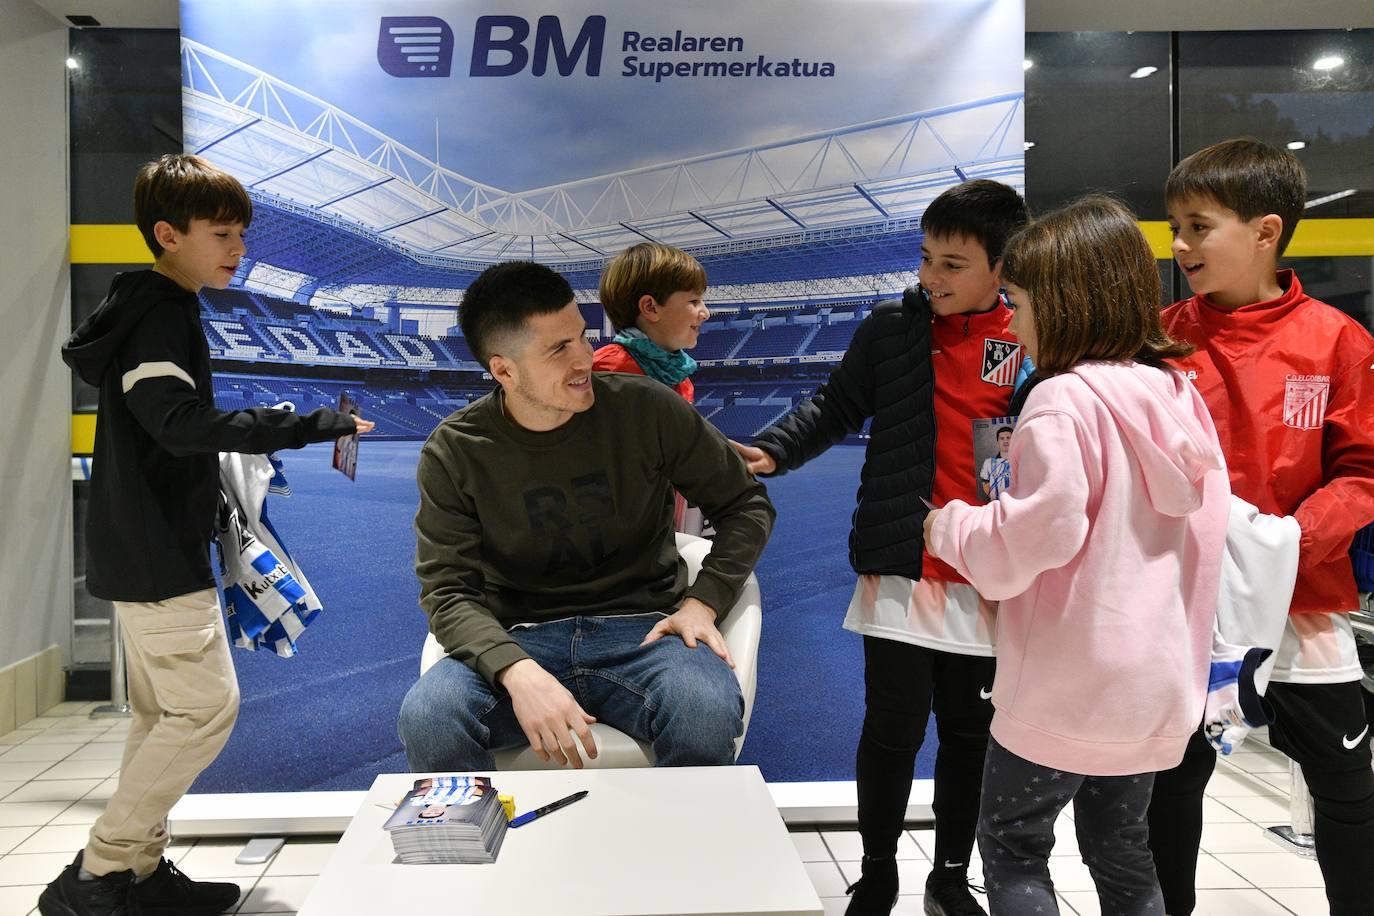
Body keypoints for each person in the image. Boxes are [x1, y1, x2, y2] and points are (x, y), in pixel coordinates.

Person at [44, 154, 372, 916]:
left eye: (241, 234)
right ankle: (97, 874)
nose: (238, 248)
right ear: (168, 235)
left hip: (145, 545)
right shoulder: (159, 313)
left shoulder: (158, 307)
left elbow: (166, 429)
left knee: (163, 716)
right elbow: (178, 423)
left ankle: (136, 875)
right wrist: (300, 425)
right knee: (204, 710)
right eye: (222, 234)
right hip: (155, 552)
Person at [925, 195, 1231, 916]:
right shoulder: (1177, 392)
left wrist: (951, 527)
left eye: (1021, 304)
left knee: (1014, 848)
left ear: (1064, 305)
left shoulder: (1061, 401)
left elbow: (1032, 539)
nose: (1013, 324)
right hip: (1154, 684)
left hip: (1064, 686)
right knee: (1123, 850)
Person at [733, 179, 1029, 916]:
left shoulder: (1027, 336)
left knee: (969, 736)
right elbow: (835, 405)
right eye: (926, 258)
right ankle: (877, 874)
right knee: (891, 731)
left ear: (1002, 266)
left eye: (953, 264)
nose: (932, 276)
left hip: (989, 571)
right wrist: (776, 449)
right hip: (901, 561)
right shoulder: (889, 329)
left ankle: (950, 879)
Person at [397, 261, 774, 773]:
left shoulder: (648, 409)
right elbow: (448, 591)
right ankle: (488, 831)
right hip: (518, 633)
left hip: (645, 631)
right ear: (504, 370)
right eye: (558, 349)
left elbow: (746, 504)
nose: (584, 359)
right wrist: (516, 670)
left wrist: (702, 603)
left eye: (581, 336)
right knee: (430, 719)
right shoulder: (455, 451)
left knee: (702, 710)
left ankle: (675, 829)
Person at [1147, 138, 1374, 916]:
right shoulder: (1156, 341)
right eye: (1175, 228)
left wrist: (1286, 547)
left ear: (1266, 231)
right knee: (1170, 790)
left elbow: (1363, 472)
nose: (1180, 246)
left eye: (1198, 227)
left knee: (1346, 791)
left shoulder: (1338, 340)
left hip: (1303, 606)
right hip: (1187, 616)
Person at [594, 242, 711, 533]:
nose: (705, 312)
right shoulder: (605, 372)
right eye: (694, 301)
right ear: (650, 307)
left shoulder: (680, 378)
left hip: (665, 526)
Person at [979, 427, 1014, 500]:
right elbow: (985, 483)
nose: (1005, 441)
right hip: (996, 502)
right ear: (998, 442)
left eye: (1008, 438)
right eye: (1002, 438)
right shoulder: (988, 463)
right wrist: (994, 497)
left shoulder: (1021, 462)